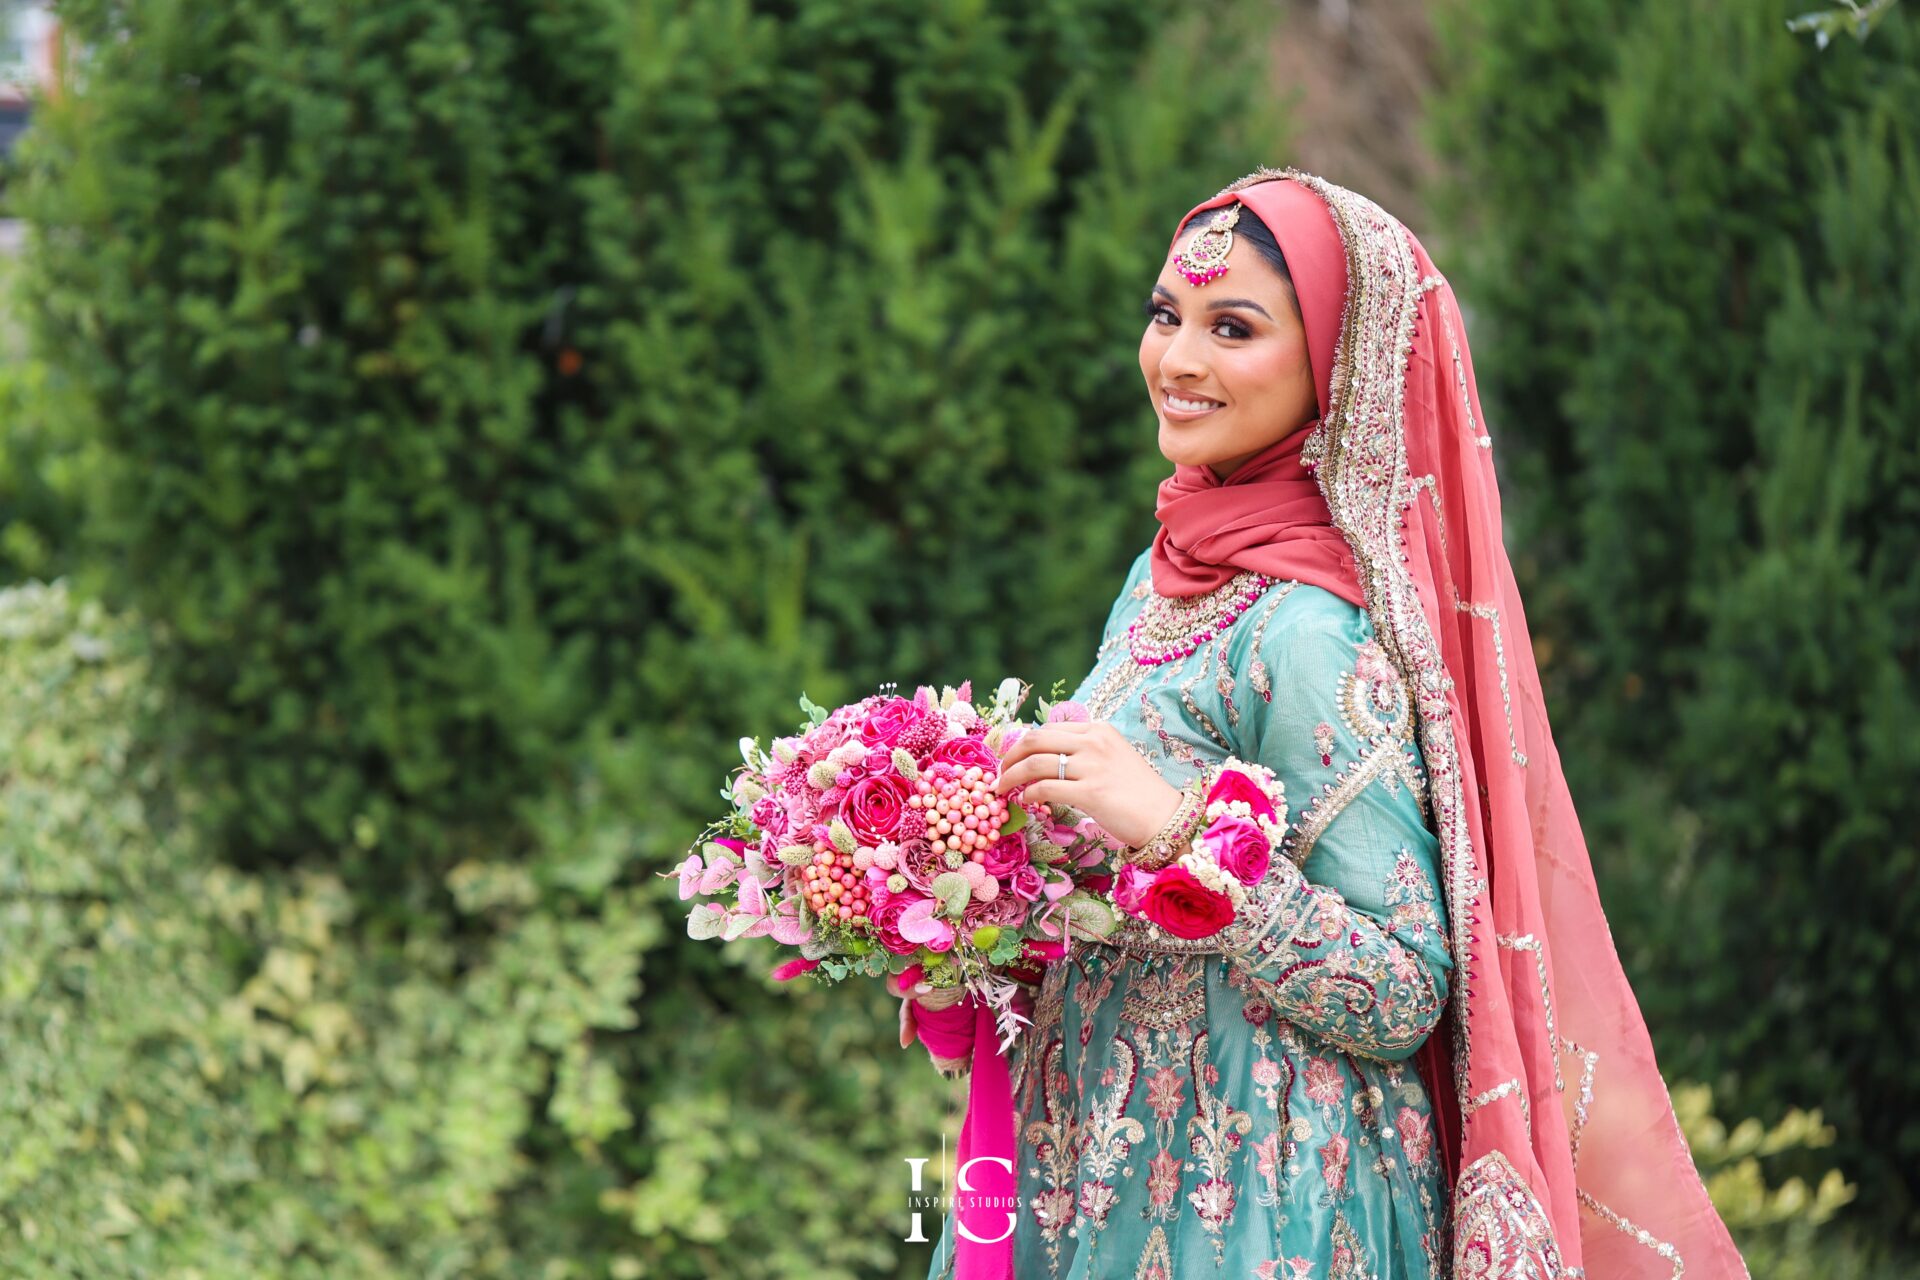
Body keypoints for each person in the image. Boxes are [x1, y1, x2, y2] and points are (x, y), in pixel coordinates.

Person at [899, 169, 1748, 1279]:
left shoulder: (1308, 629)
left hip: (1260, 1207)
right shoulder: (1162, 579)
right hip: (1092, 1171)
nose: (1178, 358)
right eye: (1166, 315)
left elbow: (1404, 989)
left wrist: (1179, 833)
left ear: (1335, 368)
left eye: (1233, 327)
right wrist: (954, 898)